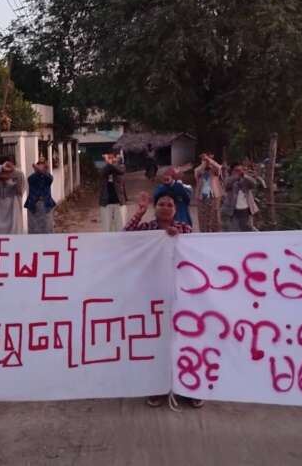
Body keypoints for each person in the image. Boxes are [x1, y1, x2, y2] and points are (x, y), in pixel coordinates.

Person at [124, 189, 200, 410]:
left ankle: (189, 387)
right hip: (152, 293)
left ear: (176, 210)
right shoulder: (146, 229)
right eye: (162, 204)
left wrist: (177, 236)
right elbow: (124, 237)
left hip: (180, 294)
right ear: (155, 208)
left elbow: (195, 252)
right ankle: (157, 386)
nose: (166, 207)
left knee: (184, 340)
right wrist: (139, 212)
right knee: (156, 341)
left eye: (170, 205)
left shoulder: (184, 229)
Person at [222, 163, 260, 231]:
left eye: (241, 170)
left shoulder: (246, 179)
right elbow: (226, 185)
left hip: (247, 209)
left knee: (248, 229)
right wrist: (236, 177)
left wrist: (245, 176)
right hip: (233, 210)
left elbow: (254, 184)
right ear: (232, 171)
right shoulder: (229, 179)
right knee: (234, 230)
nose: (239, 172)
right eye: (237, 170)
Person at [24, 157, 56, 234]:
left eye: (42, 165)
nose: (40, 167)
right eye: (39, 165)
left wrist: (41, 170)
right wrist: (39, 171)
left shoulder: (48, 177)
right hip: (33, 206)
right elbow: (32, 179)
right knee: (34, 230)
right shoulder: (31, 178)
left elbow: (49, 178)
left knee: (47, 229)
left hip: (46, 206)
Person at [194, 153, 224, 232]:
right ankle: (204, 233)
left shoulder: (214, 170)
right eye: (204, 160)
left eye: (208, 160)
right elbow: (198, 172)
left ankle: (215, 232)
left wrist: (209, 160)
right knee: (202, 217)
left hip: (214, 196)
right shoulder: (198, 170)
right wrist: (204, 163)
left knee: (215, 216)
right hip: (201, 197)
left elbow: (219, 167)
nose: (207, 162)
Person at [99, 150, 127, 232]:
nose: (111, 159)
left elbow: (120, 170)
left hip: (119, 201)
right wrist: (109, 163)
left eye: (113, 158)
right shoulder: (104, 168)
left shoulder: (121, 167)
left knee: (121, 228)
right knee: (106, 229)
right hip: (105, 202)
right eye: (109, 157)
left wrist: (111, 162)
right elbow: (102, 172)